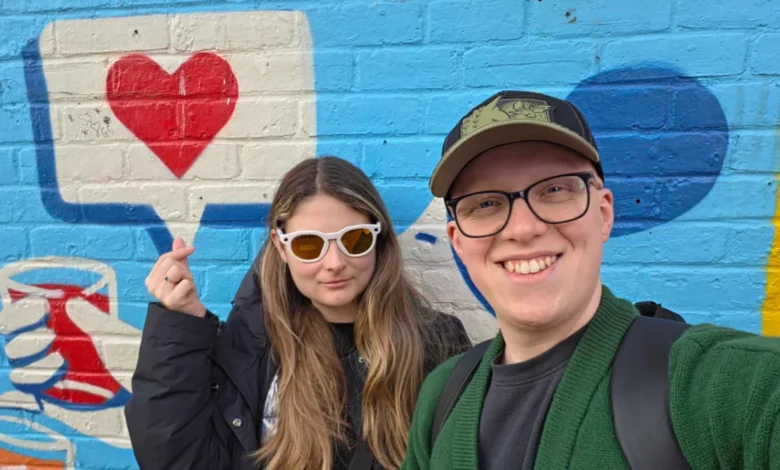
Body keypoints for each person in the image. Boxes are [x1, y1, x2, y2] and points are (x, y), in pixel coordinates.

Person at [401, 90, 780, 469]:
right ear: (458, 241)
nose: (523, 228)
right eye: (486, 203)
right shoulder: (442, 395)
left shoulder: (722, 384)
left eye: (554, 189)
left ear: (603, 214)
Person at [124, 156, 471, 470]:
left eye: (354, 240)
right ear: (281, 246)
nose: (334, 263)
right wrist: (180, 326)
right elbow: (177, 458)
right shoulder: (251, 348)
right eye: (309, 245)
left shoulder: (437, 343)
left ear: (378, 240)